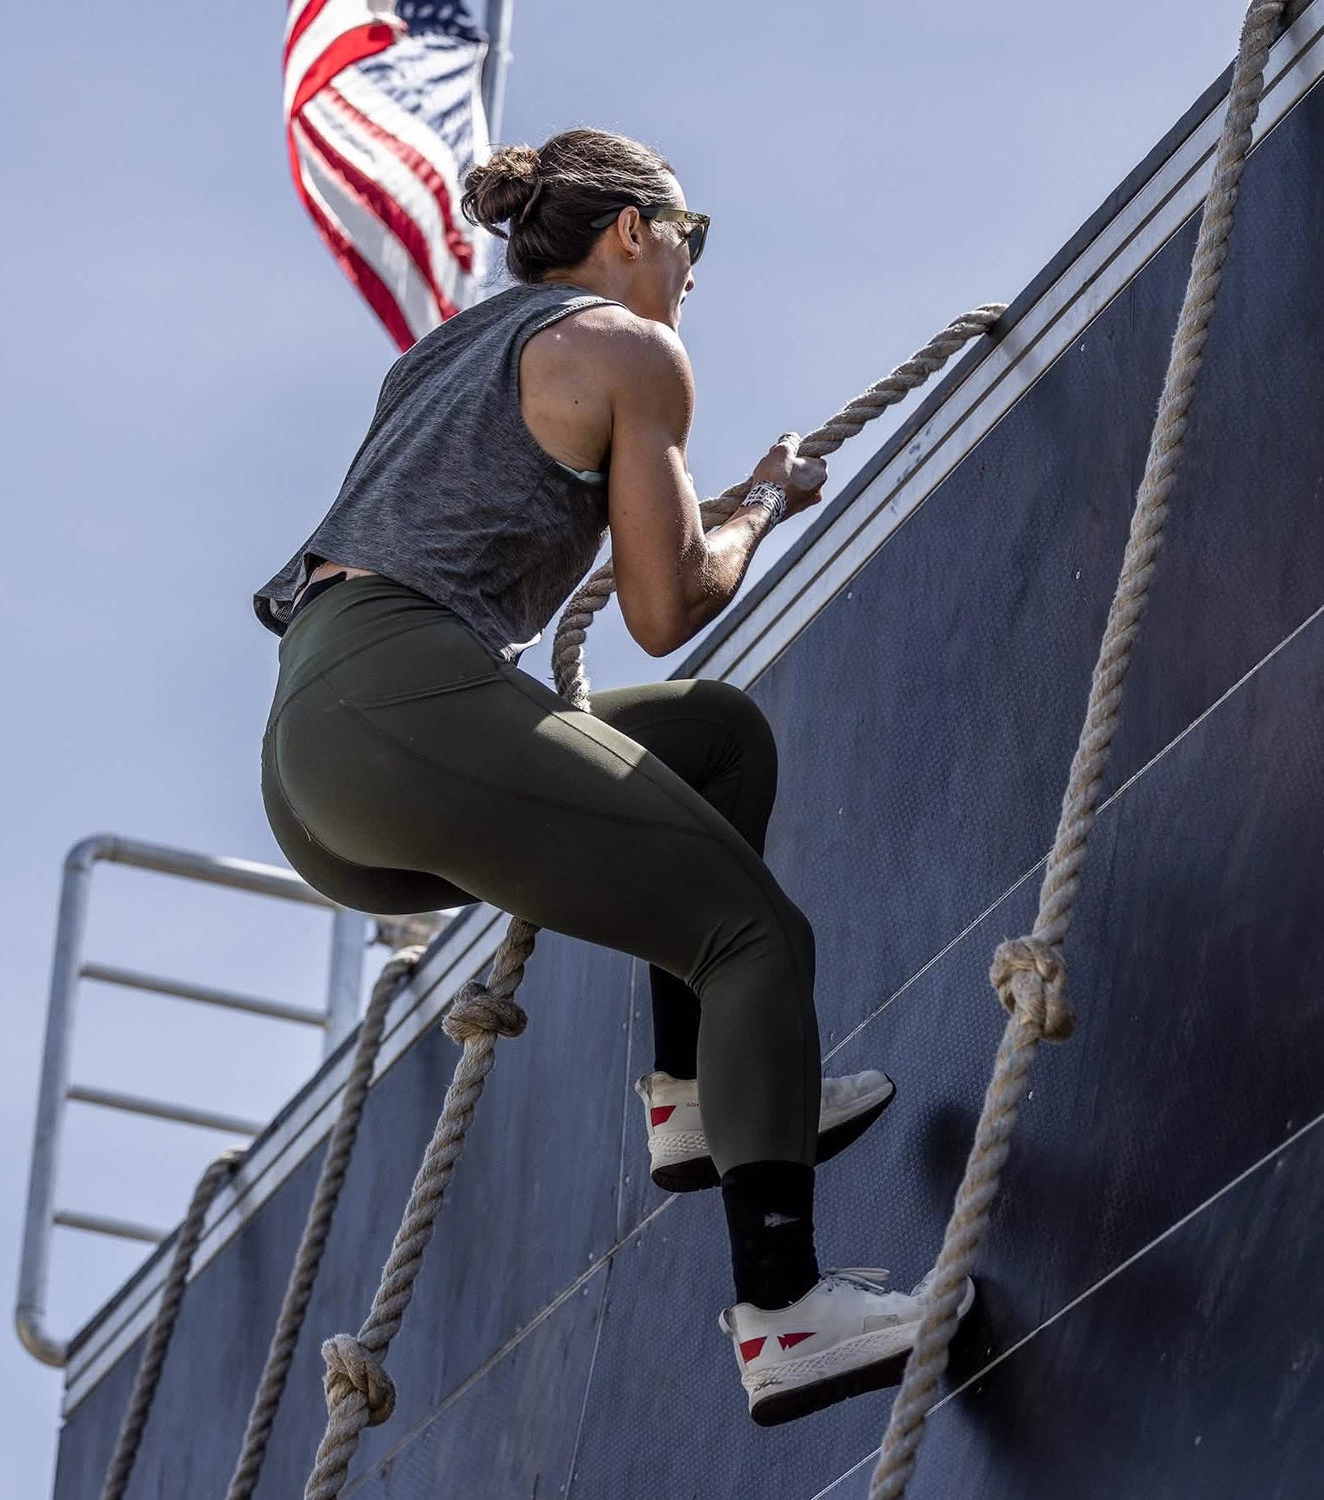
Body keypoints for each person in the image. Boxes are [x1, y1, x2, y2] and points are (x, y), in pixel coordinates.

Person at [253, 127, 971, 1425]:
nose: (696, 270)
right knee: (752, 931)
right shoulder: (634, 351)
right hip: (406, 704)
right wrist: (765, 498)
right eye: (694, 238)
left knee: (712, 738)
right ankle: (786, 1312)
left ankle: (699, 1098)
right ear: (635, 230)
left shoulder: (437, 357)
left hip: (315, 746)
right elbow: (665, 599)